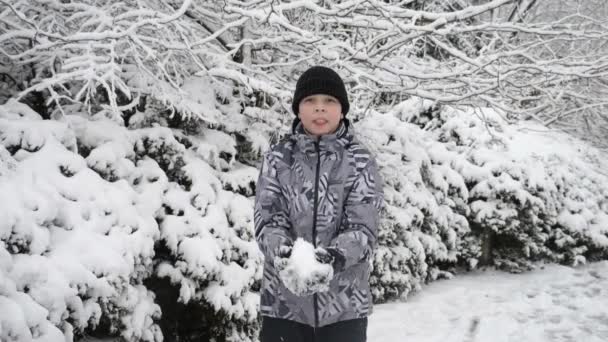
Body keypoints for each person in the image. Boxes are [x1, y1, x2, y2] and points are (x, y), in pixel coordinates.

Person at [254, 66, 384, 342]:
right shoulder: (278, 159)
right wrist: (284, 252)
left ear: (342, 110)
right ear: (298, 109)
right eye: (310, 101)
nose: (320, 109)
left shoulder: (360, 161)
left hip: (345, 307)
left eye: (329, 101)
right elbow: (268, 218)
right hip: (283, 305)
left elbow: (363, 227)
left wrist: (334, 257)